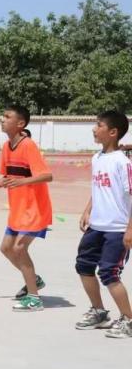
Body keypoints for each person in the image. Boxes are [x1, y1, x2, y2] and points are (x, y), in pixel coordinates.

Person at [0, 105, 54, 312]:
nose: (2, 119)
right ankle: (34, 280)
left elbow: (47, 176)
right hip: (18, 209)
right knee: (6, 249)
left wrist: (23, 181)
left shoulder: (28, 145)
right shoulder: (6, 147)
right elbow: (8, 178)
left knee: (19, 248)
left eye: (7, 116)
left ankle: (34, 298)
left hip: (34, 209)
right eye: (3, 116)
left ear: (20, 123)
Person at [74, 111, 132, 338]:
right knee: (84, 266)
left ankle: (128, 320)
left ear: (113, 132)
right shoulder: (96, 158)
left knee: (109, 272)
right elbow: (98, 188)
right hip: (96, 226)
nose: (94, 129)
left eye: (99, 125)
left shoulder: (122, 162)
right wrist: (87, 210)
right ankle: (99, 312)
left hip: (117, 229)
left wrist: (129, 229)